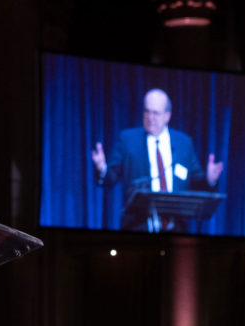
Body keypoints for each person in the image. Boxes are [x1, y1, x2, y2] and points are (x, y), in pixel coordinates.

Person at [91, 88, 224, 231]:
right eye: (147, 111)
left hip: (176, 228)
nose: (150, 117)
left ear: (167, 115)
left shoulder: (184, 143)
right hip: (138, 226)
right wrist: (102, 168)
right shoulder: (128, 140)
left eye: (156, 113)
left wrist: (210, 179)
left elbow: (196, 181)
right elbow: (110, 177)